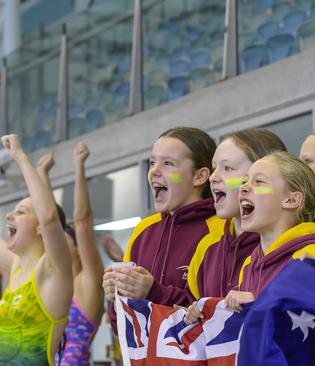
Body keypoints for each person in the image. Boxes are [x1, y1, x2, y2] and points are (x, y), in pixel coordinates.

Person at [222, 151, 315, 366]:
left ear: (291, 199)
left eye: (258, 181)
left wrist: (261, 308)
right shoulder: (249, 264)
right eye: (244, 181)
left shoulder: (312, 257)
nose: (243, 188)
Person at [102, 127, 216, 325]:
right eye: (152, 162)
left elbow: (216, 317)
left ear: (200, 176)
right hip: (145, 357)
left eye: (168, 164)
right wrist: (115, 297)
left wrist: (153, 292)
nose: (154, 171)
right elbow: (119, 325)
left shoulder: (220, 230)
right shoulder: (144, 230)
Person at [186, 129, 286, 301]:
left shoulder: (288, 245)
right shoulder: (207, 248)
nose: (212, 177)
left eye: (227, 168)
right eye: (215, 168)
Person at [0, 134, 74, 365]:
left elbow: (50, 218)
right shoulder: (15, 266)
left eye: (21, 212)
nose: (9, 215)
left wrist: (20, 156)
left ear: (41, 228)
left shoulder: (53, 272)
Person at [37, 145, 106, 366]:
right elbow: (47, 222)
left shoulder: (87, 284)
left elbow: (83, 223)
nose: (55, 248)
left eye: (63, 242)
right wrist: (42, 176)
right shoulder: (53, 287)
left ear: (78, 249)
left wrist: (79, 166)